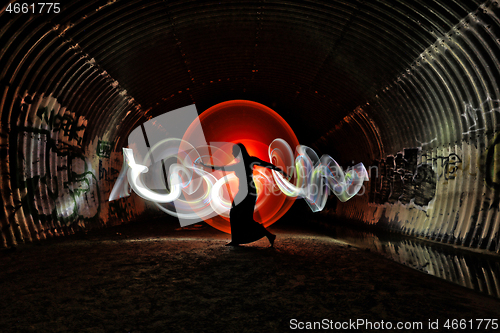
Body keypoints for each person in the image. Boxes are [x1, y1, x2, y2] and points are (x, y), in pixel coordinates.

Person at [196, 143, 287, 247]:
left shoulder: (247, 161)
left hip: (249, 192)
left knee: (243, 217)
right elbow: (221, 168)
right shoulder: (246, 161)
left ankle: (266, 235)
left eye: (233, 151)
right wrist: (204, 166)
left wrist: (281, 171)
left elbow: (267, 165)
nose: (232, 153)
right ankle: (237, 239)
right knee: (235, 214)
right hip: (244, 191)